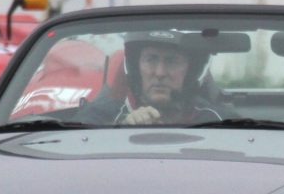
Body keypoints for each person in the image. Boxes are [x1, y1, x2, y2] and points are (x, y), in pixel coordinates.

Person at [77, 31, 233, 125]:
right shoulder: (101, 115)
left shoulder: (216, 120)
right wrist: (122, 127)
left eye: (171, 61)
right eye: (151, 59)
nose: (159, 73)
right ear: (136, 67)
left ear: (191, 71)